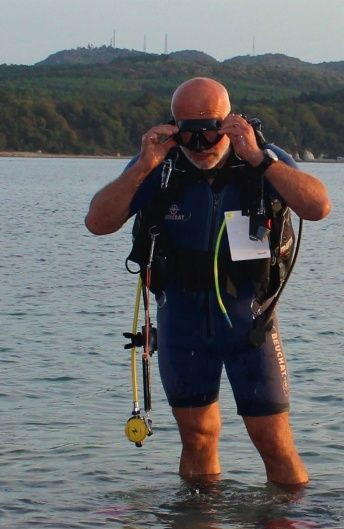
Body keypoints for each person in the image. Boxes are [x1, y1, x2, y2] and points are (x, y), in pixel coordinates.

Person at [85, 77, 330, 486]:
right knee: (197, 438)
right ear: (173, 127)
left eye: (211, 131)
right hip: (183, 322)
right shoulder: (160, 166)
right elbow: (97, 222)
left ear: (230, 122)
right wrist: (144, 165)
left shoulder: (260, 159)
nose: (200, 145)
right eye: (189, 133)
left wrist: (258, 158)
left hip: (249, 323)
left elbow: (318, 206)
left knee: (273, 440)